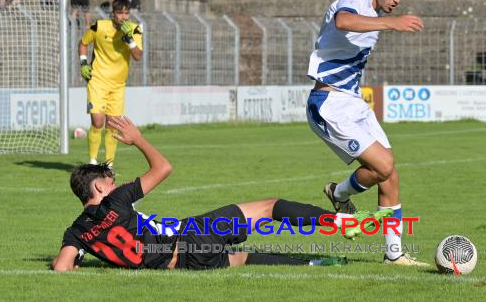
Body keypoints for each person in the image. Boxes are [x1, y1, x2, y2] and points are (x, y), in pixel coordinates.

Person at [51, 116, 391, 271]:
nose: (115, 182)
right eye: (110, 179)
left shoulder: (76, 231)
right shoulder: (116, 200)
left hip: (181, 266)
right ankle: (340, 223)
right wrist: (139, 139)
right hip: (191, 236)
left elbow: (61, 267)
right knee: (270, 207)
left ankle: (318, 263)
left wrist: (86, 258)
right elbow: (163, 168)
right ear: (99, 187)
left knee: (242, 259)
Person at [306, 0, 429, 267]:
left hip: (353, 102)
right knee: (384, 164)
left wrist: (386, 20)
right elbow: (343, 22)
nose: (397, 0)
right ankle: (340, 194)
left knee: (389, 175)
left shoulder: (373, 10)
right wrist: (392, 23)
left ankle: (394, 254)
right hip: (329, 103)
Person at [78, 0, 143, 167]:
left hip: (118, 85)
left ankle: (108, 165)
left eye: (126, 13)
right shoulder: (99, 26)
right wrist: (84, 62)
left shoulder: (135, 30)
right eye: (119, 13)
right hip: (97, 80)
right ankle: (92, 162)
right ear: (112, 14)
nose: (123, 16)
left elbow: (137, 56)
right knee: (98, 121)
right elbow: (83, 43)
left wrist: (129, 38)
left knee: (113, 125)